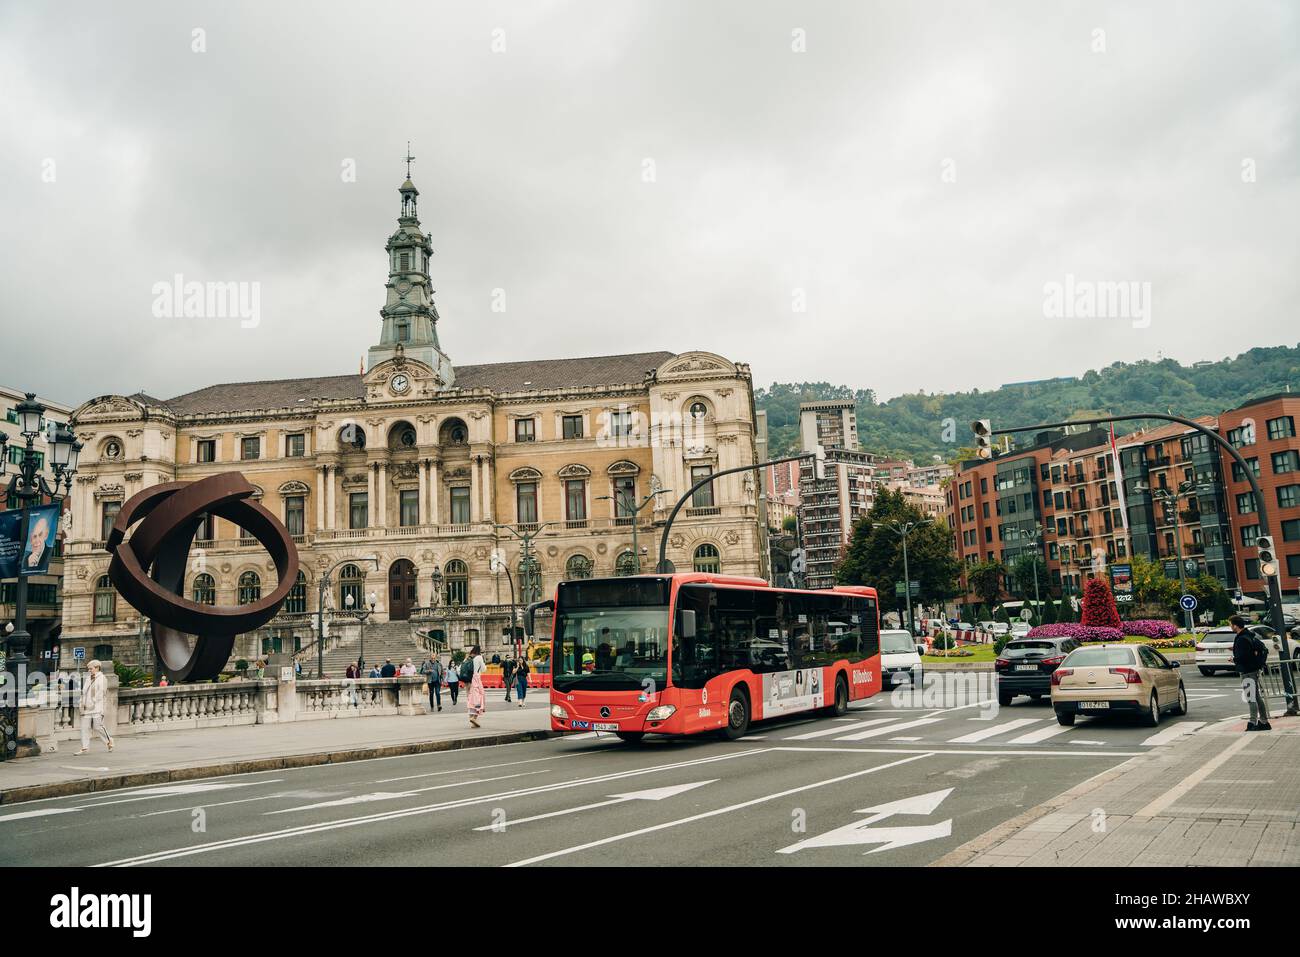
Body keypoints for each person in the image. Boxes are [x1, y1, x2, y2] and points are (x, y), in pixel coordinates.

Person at [1231, 615, 1272, 731]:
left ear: (1235, 626)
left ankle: (1253, 723)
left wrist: (1234, 659)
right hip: (1253, 670)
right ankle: (1264, 722)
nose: (1231, 627)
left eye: (1231, 624)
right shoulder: (1250, 636)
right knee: (1257, 697)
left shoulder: (1241, 639)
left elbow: (1243, 657)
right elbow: (1263, 649)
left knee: (1251, 698)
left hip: (1247, 671)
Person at [76, 660, 114, 755]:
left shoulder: (102, 678)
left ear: (97, 668)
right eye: (88, 669)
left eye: (91, 668)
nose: (89, 670)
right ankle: (84, 747)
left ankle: (109, 741)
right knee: (84, 727)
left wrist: (91, 702)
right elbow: (84, 692)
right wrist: (81, 702)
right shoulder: (88, 678)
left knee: (98, 726)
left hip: (97, 707)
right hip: (87, 707)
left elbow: (101, 693)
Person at [466, 644, 486, 728]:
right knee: (480, 697)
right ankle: (474, 717)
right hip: (476, 679)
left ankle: (472, 720)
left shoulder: (469, 657)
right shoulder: (479, 657)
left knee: (471, 698)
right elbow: (483, 669)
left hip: (468, 680)